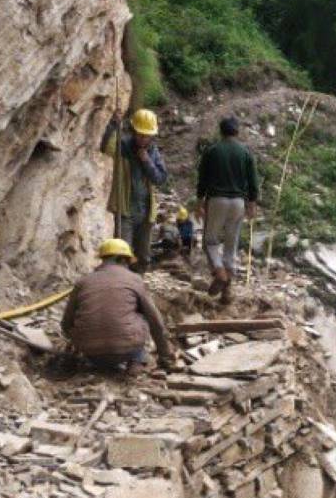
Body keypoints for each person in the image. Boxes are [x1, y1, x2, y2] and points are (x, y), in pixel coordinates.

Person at [61, 239, 171, 374]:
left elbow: (66, 323)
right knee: (143, 315)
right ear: (123, 260)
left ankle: (94, 362)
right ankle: (137, 360)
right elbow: (156, 322)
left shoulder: (83, 282)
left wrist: (80, 342)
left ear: (102, 259)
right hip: (125, 350)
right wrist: (165, 356)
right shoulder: (134, 279)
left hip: (90, 352)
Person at [197, 116, 259, 304]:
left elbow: (203, 178)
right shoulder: (245, 152)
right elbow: (252, 180)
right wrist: (252, 203)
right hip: (238, 202)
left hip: (217, 200)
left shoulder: (212, 150)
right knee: (231, 245)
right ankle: (227, 292)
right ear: (237, 131)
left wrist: (199, 200)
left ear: (221, 131)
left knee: (210, 241)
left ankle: (219, 271)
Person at [102, 109, 168, 271]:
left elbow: (160, 178)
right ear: (134, 131)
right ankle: (121, 287)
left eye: (147, 136)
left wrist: (147, 162)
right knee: (122, 252)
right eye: (140, 134)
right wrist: (114, 125)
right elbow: (106, 147)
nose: (143, 139)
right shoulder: (123, 146)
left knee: (143, 256)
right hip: (125, 210)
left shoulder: (153, 152)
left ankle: (137, 286)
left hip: (145, 212)